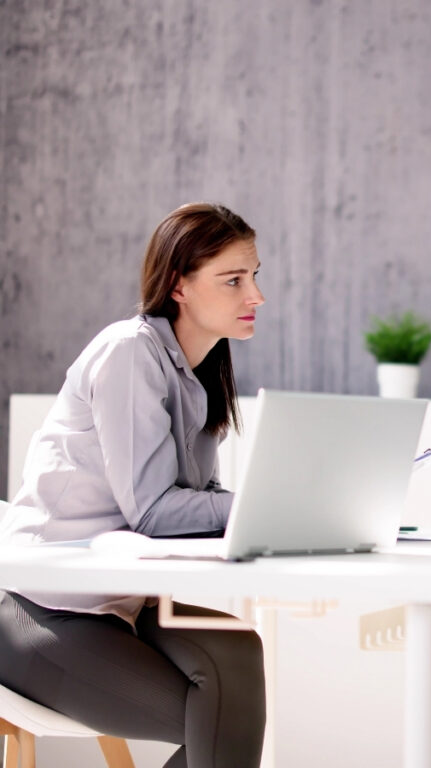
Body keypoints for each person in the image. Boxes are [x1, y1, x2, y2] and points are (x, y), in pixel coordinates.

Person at [0, 203, 268, 768]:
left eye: (255, 276)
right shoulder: (128, 352)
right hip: (42, 606)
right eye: (233, 279)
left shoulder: (195, 378)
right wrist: (261, 505)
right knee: (223, 719)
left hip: (121, 601)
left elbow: (194, 511)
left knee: (240, 651)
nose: (256, 297)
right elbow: (153, 512)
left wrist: (277, 515)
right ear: (179, 285)